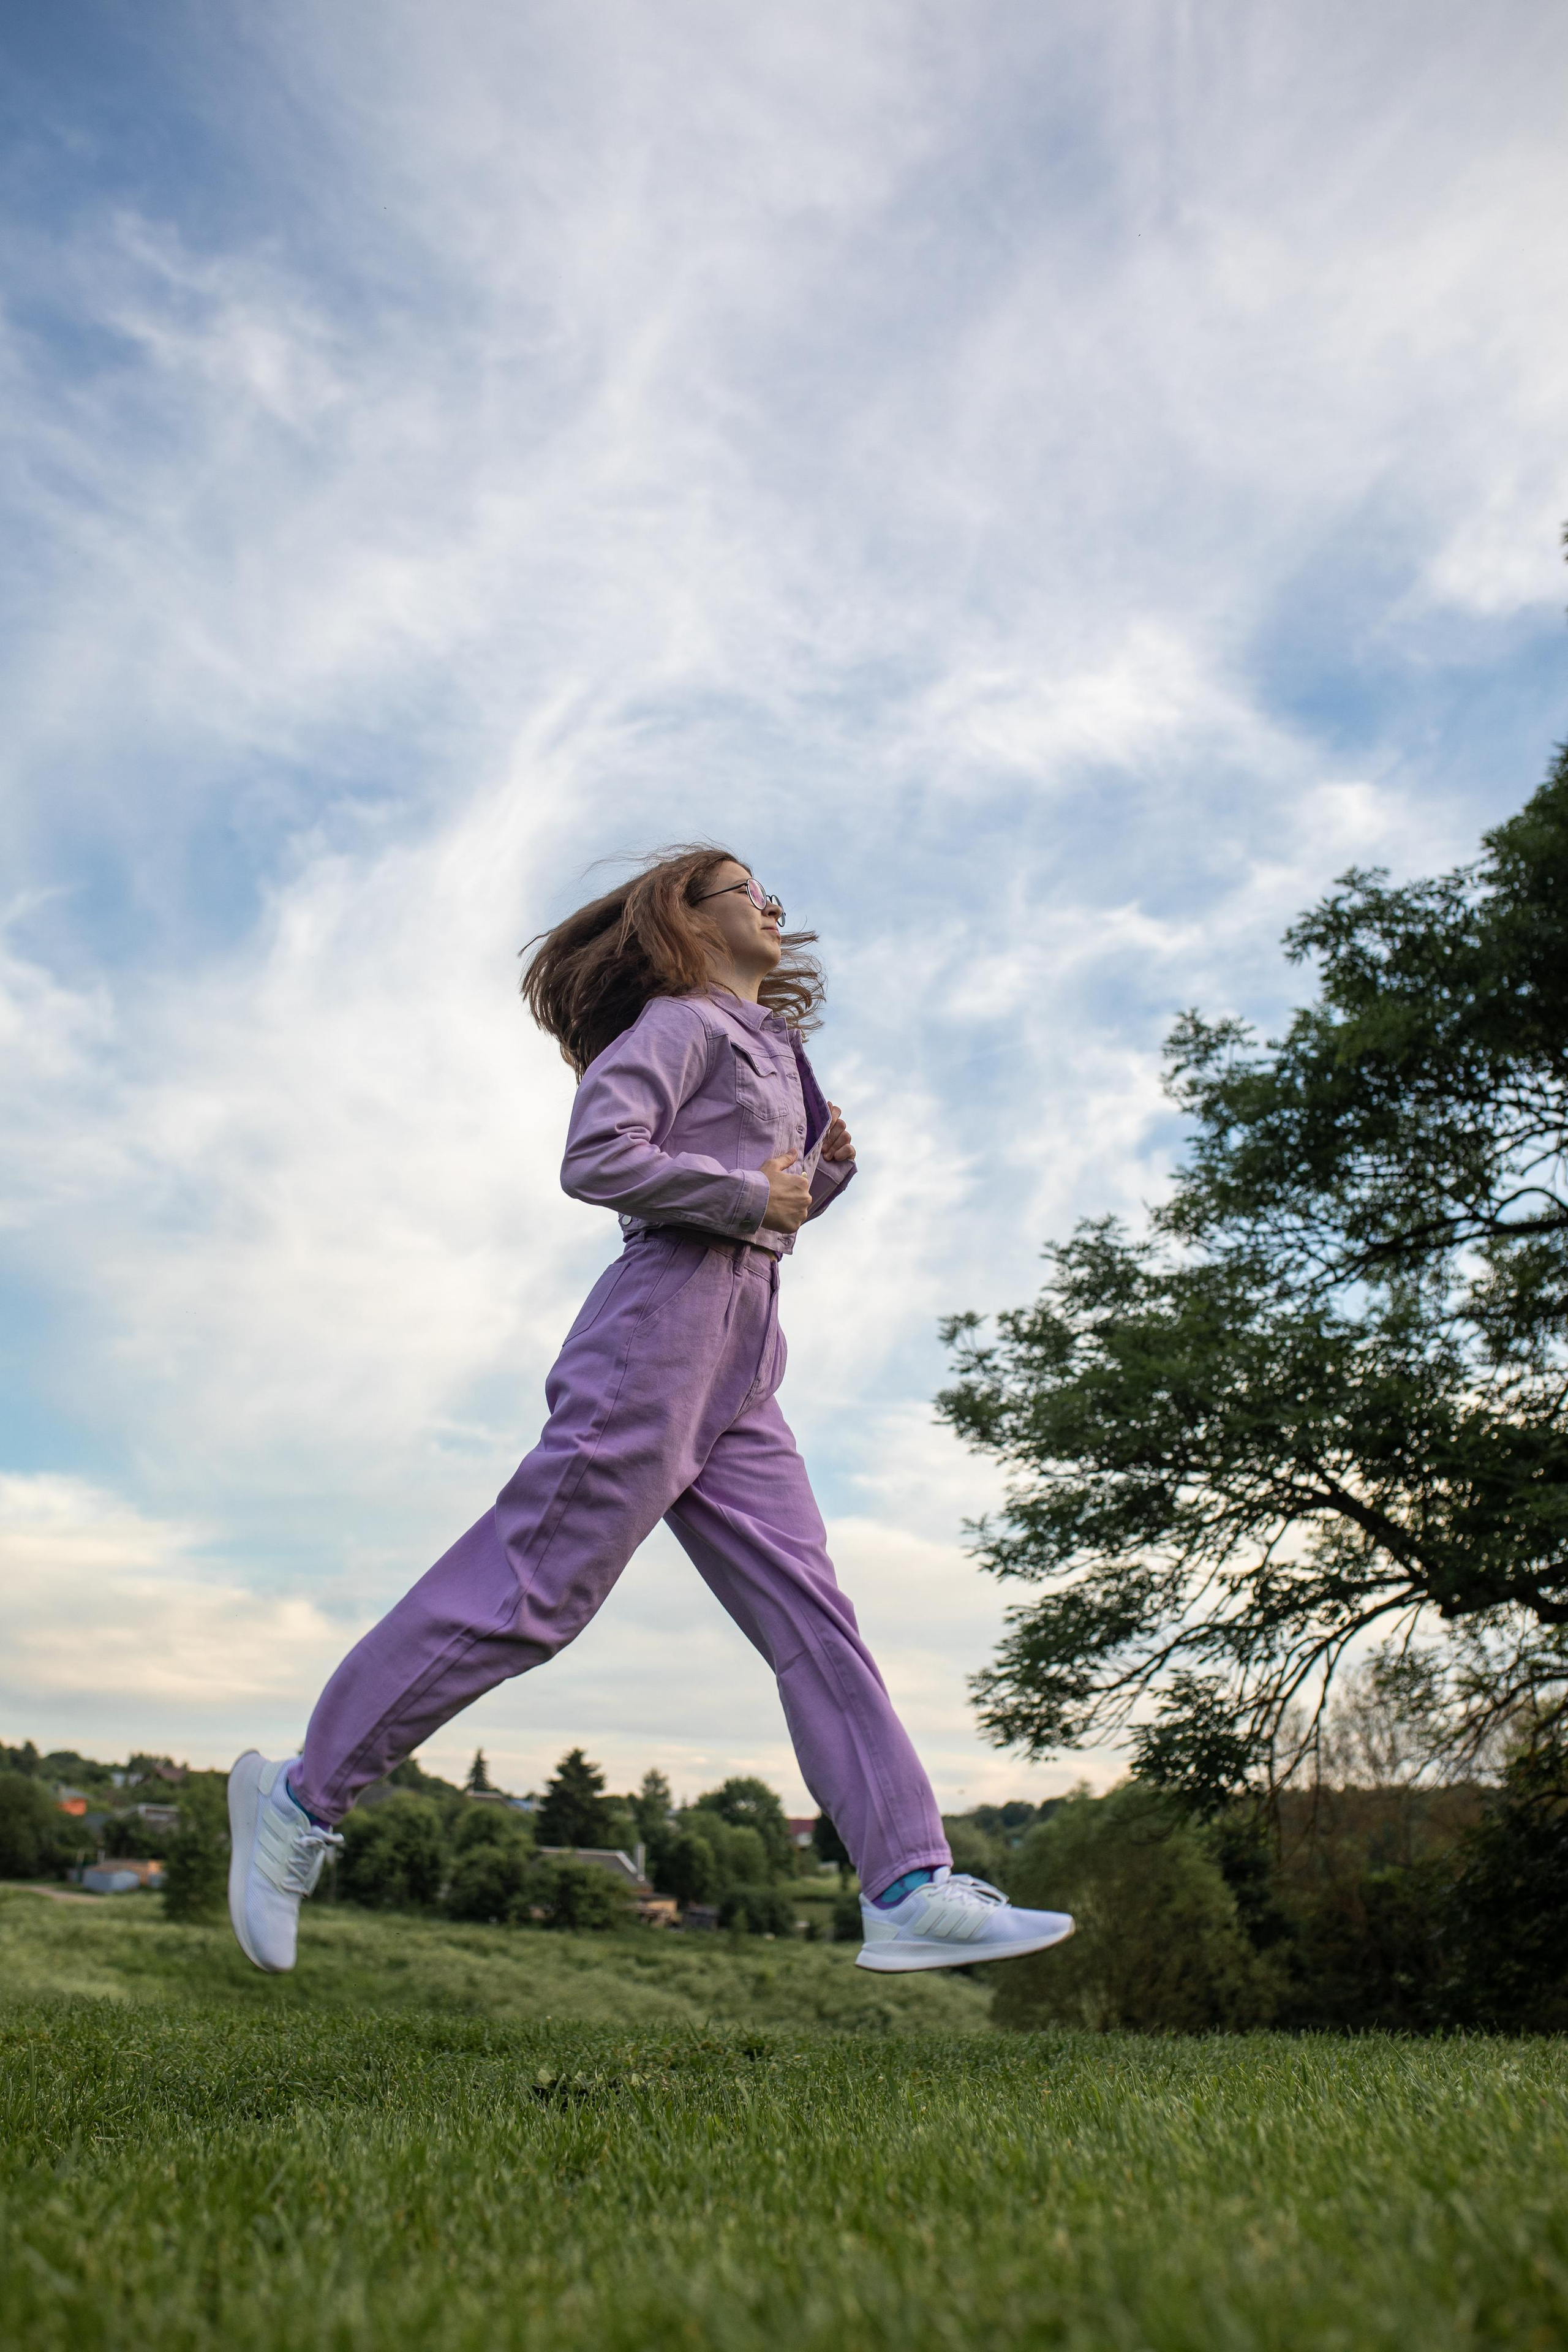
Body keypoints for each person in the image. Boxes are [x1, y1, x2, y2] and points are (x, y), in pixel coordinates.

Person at [227, 846, 1074, 1977]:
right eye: (747, 888)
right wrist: (747, 1191)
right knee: (533, 1592)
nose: (774, 903)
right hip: (661, 1330)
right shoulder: (677, 1025)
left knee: (811, 1613)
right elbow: (599, 1153)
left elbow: (769, 1198)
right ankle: (297, 1801)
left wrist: (817, 1180)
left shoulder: (771, 1044)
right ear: (686, 917)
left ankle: (909, 1886)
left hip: (745, 1347)